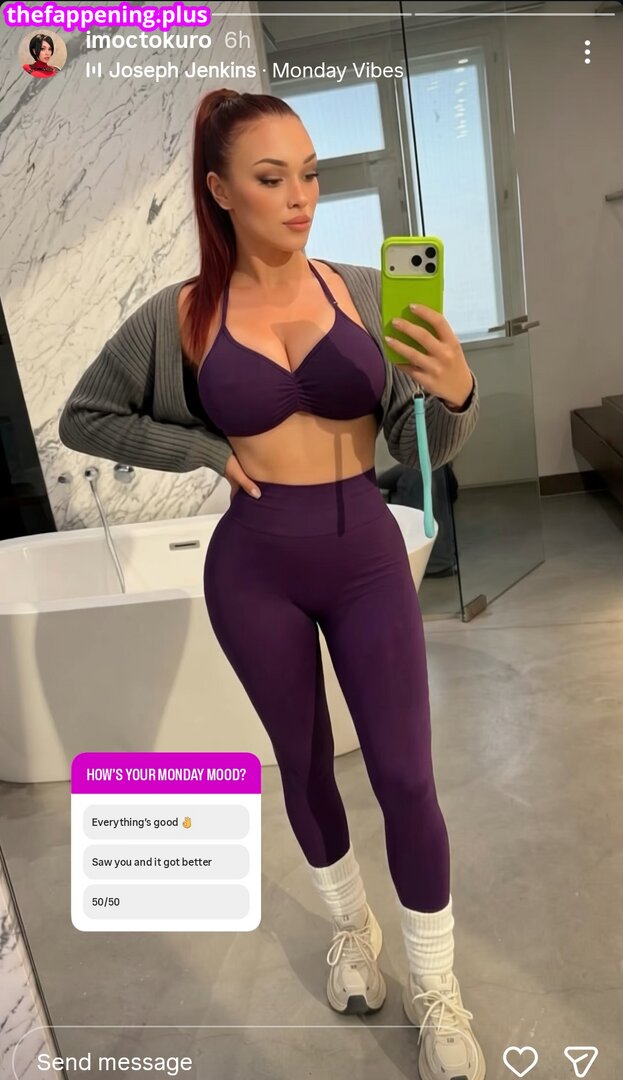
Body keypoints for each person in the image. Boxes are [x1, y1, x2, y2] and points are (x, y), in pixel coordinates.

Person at [59, 89, 484, 1080]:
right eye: (270, 177)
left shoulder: (364, 292)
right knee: (301, 764)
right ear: (219, 190)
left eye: (309, 174)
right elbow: (87, 416)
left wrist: (456, 391)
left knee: (405, 777)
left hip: (365, 555)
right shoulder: (181, 316)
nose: (300, 198)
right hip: (253, 568)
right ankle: (350, 930)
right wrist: (202, 448)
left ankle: (435, 987)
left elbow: (420, 444)